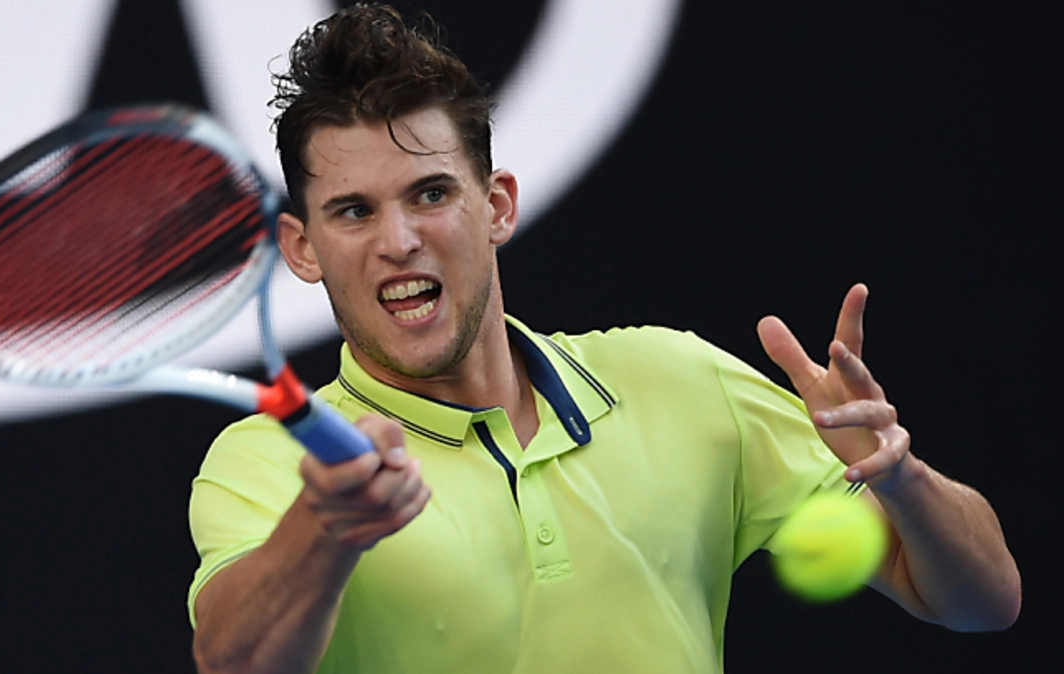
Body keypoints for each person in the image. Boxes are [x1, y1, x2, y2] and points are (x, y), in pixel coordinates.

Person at [186, 5, 1021, 673]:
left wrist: (902, 476)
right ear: (303, 247)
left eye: (431, 193)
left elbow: (984, 603)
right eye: (354, 211)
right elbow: (233, 663)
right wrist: (325, 527)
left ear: (497, 207)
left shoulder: (678, 380)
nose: (398, 240)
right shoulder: (265, 466)